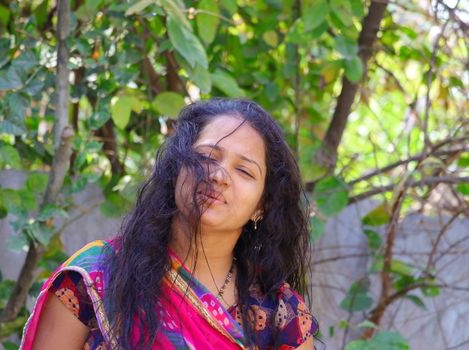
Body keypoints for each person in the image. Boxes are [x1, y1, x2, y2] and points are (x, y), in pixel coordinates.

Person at [21, 98, 318, 349]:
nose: (218, 176)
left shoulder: (281, 313)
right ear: (176, 167)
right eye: (207, 156)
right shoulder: (96, 277)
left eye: (244, 171)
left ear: (261, 206)